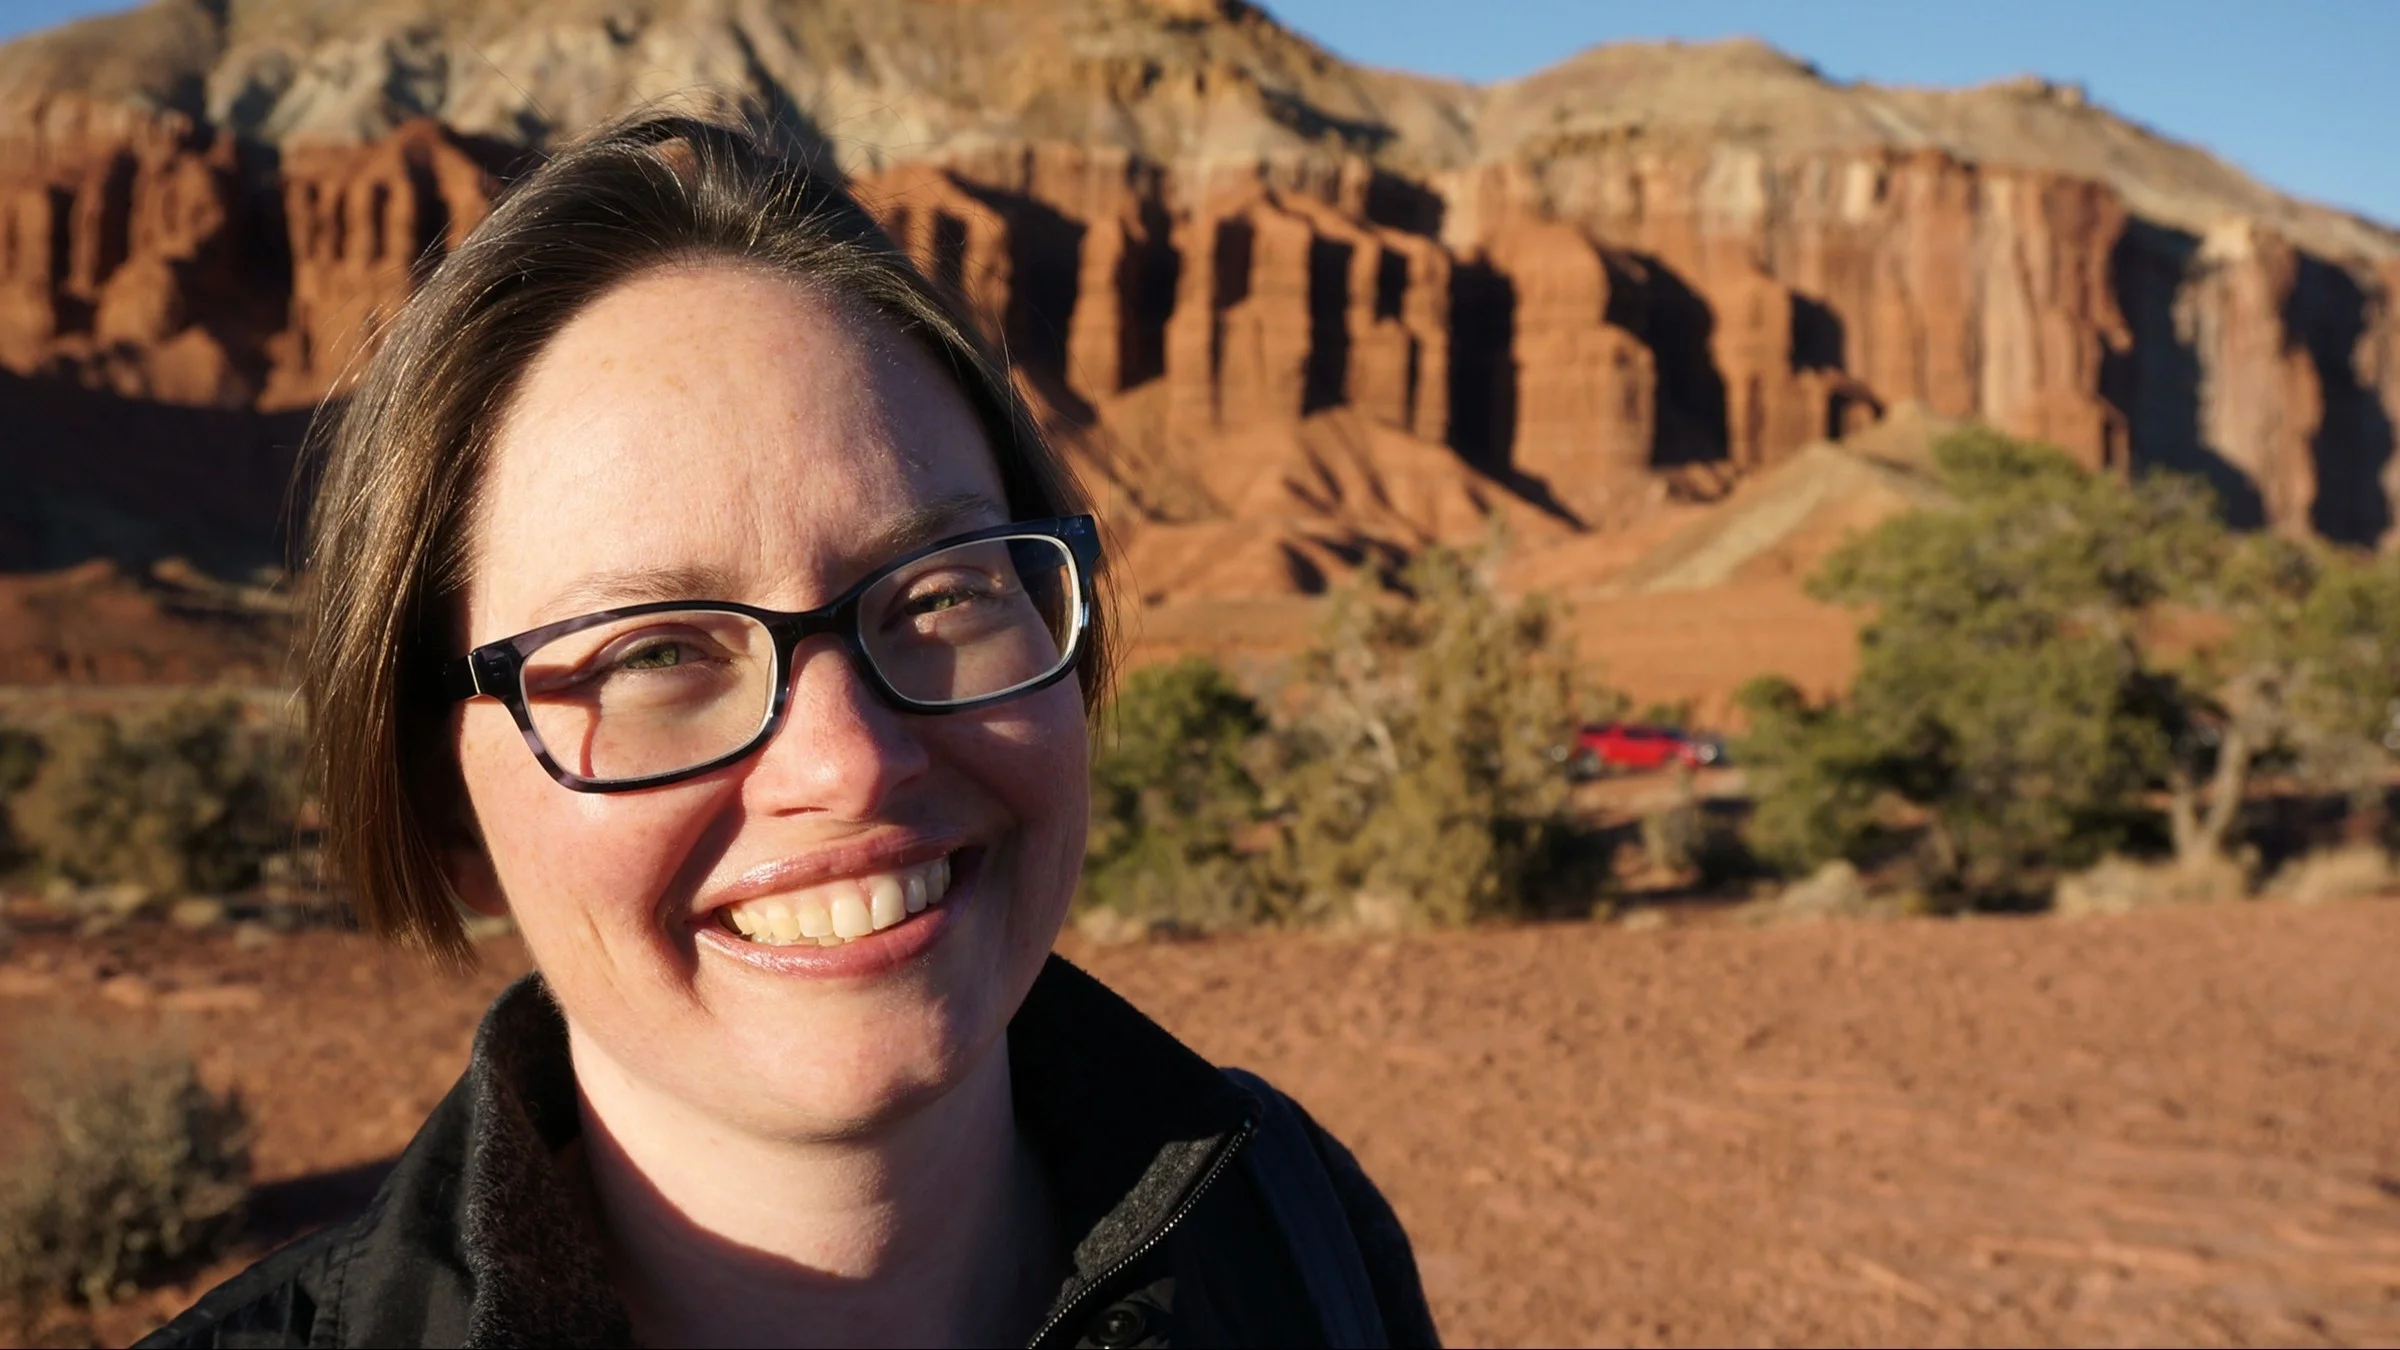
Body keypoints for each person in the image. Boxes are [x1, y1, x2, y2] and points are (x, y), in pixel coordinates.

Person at [136, 114, 1438, 1349]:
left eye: (941, 594)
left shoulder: (1293, 1230)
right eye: (654, 654)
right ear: (447, 806)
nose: (848, 760)